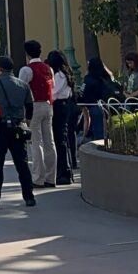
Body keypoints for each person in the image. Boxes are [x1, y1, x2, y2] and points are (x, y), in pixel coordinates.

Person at [0, 56, 36, 208]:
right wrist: (26, 123)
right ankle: (29, 197)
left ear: (0, 69)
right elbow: (29, 107)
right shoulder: (23, 85)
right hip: (18, 128)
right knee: (22, 164)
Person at [17, 40, 57, 188]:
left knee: (36, 142)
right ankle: (51, 177)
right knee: (49, 141)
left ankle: (38, 177)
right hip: (48, 104)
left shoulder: (26, 70)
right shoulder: (48, 68)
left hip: (34, 106)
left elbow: (21, 90)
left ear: (27, 53)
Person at [46, 51, 76, 185]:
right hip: (63, 105)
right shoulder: (66, 74)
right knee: (62, 138)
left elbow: (54, 92)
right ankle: (64, 170)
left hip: (59, 106)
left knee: (60, 139)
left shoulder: (59, 75)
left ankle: (64, 171)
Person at [81, 57, 116, 141]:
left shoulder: (89, 79)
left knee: (98, 131)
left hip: (93, 106)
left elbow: (83, 92)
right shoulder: (107, 77)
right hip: (108, 106)